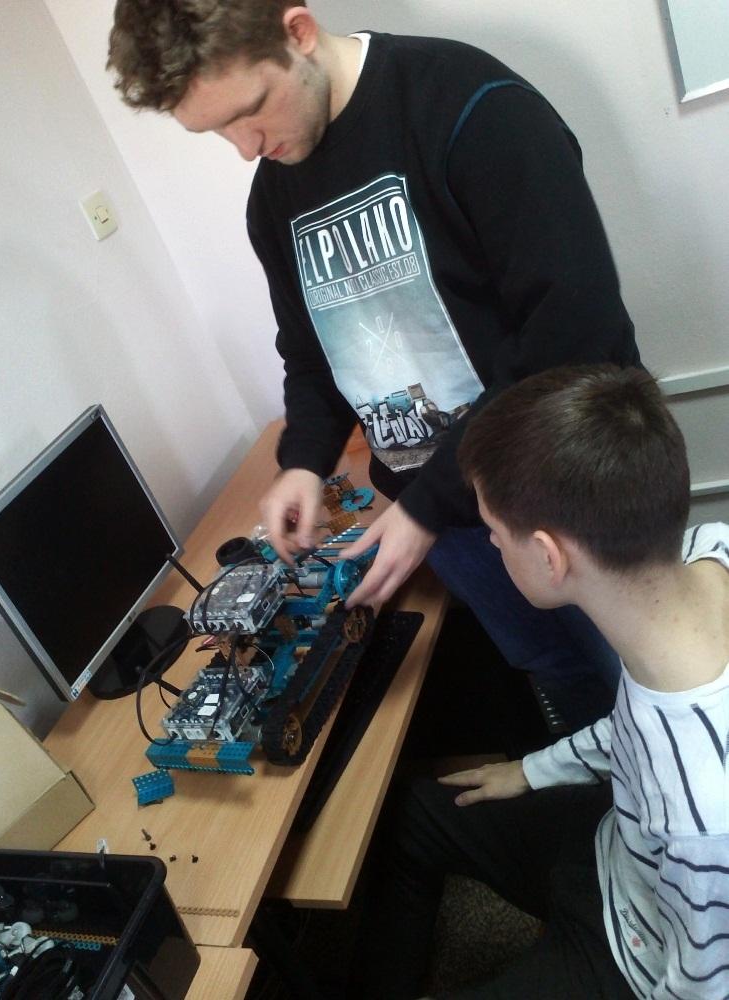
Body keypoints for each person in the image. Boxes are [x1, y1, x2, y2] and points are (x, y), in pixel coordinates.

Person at [106, 1, 641, 729]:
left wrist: (429, 503)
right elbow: (311, 353)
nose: (245, 147)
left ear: (298, 32)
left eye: (250, 109)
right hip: (451, 522)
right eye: (216, 131)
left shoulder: (475, 109)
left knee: (640, 678)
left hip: (569, 485)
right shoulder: (274, 202)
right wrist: (303, 461)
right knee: (554, 671)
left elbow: (576, 338)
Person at [351, 364, 729, 1000]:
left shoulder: (703, 820)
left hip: (637, 964)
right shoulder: (709, 550)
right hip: (618, 849)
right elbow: (636, 728)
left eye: (495, 535)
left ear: (550, 556)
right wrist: (532, 771)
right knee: (415, 813)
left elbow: (702, 990)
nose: (493, 547)